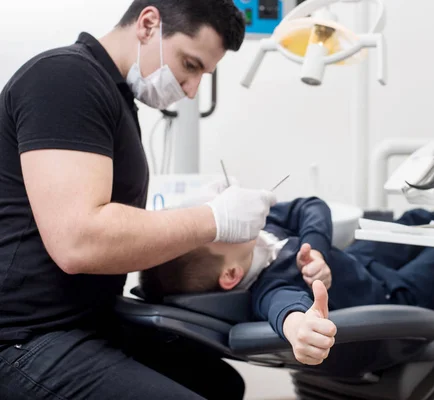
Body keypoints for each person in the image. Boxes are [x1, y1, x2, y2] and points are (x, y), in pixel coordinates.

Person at [0, 1, 276, 399]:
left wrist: (196, 216)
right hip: (25, 338)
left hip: (85, 323)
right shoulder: (65, 78)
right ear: (148, 24)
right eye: (191, 65)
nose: (191, 88)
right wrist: (213, 219)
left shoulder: (112, 96)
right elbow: (78, 241)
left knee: (220, 383)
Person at [140, 185, 434, 366]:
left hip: (355, 259)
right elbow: (286, 311)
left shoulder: (254, 233)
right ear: (231, 275)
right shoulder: (271, 285)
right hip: (392, 295)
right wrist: (301, 329)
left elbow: (307, 206)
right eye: (215, 231)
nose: (220, 221)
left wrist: (315, 244)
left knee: (420, 216)